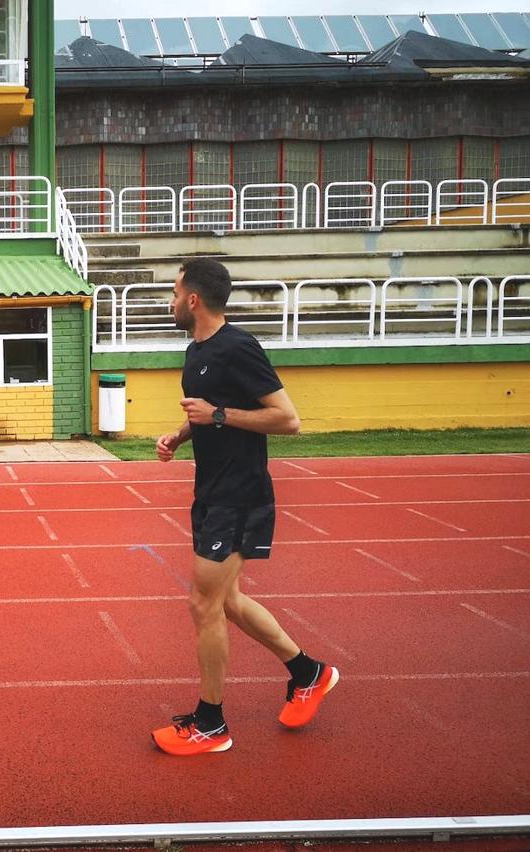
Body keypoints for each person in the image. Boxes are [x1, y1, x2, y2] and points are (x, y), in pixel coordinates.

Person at [151, 258, 337, 756]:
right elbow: (210, 413)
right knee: (227, 602)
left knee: (202, 603)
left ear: (193, 299)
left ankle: (212, 724)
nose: (170, 301)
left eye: (174, 292)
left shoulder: (238, 346)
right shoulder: (197, 352)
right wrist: (182, 434)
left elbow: (287, 419)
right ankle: (308, 672)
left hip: (240, 494)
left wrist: (216, 414)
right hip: (211, 491)